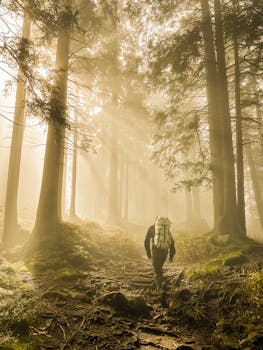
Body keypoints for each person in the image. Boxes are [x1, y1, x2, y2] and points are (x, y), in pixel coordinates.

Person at [144, 217, 175, 288]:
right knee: (159, 267)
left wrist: (148, 252)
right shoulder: (166, 229)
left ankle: (160, 286)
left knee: (157, 269)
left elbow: (146, 241)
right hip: (165, 251)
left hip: (156, 251)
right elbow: (172, 242)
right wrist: (171, 255)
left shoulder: (152, 228)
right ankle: (161, 283)